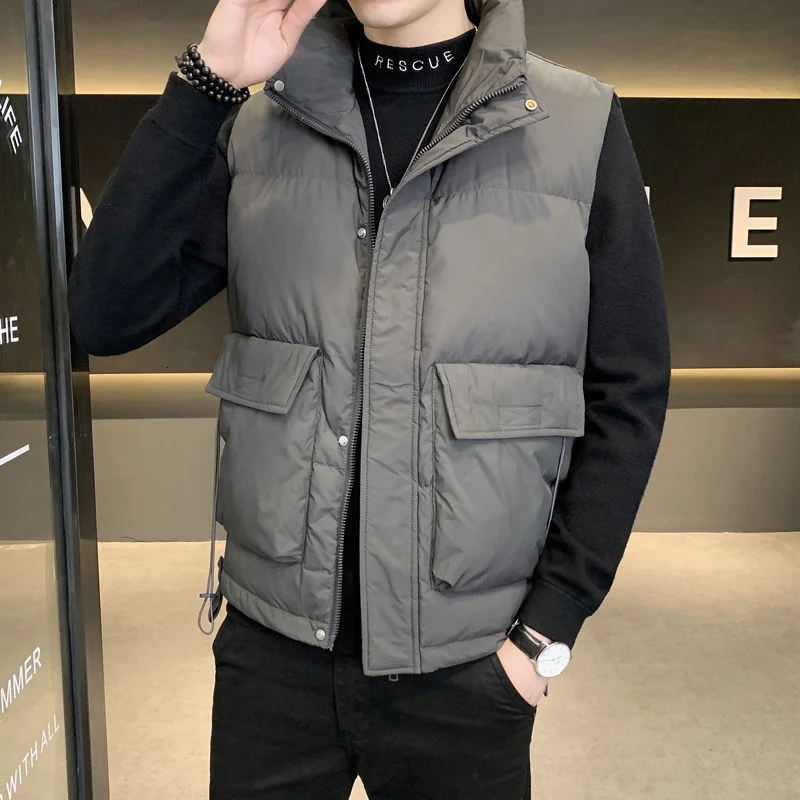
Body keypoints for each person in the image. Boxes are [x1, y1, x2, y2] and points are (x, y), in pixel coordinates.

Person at [67, 0, 671, 796]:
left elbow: (629, 390)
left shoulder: (577, 123)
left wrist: (545, 632)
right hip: (272, 658)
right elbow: (105, 316)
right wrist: (207, 82)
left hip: (469, 668)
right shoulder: (260, 125)